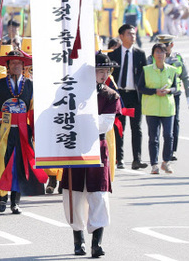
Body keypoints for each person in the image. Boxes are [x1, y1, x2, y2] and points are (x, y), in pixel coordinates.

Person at [62, 52, 120, 258]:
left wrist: (81, 120)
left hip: (97, 146)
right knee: (74, 194)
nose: (103, 75)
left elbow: (105, 124)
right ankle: (78, 240)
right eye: (99, 70)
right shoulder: (72, 92)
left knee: (99, 195)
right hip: (75, 146)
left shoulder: (111, 96)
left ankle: (97, 242)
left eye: (106, 71)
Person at [0, 50, 46, 214]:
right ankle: (2, 197)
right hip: (3, 130)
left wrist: (36, 132)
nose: (17, 66)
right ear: (8, 66)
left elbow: (33, 111)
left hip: (23, 132)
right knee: (2, 163)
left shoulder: (31, 86)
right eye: (13, 63)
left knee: (20, 166)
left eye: (19, 63)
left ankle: (15, 202)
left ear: (24, 66)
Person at [110, 24, 148, 170]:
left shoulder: (140, 54)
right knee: (119, 127)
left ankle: (136, 159)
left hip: (134, 96)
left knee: (136, 128)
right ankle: (119, 159)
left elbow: (144, 76)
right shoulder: (113, 55)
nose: (133, 36)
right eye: (129, 34)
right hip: (119, 96)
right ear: (121, 36)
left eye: (134, 34)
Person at [138, 43, 178, 174]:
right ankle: (154, 164)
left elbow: (175, 87)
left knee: (168, 135)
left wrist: (169, 90)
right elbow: (141, 87)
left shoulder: (172, 70)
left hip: (167, 107)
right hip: (152, 107)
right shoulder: (147, 69)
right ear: (153, 54)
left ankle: (166, 162)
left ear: (166, 54)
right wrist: (155, 91)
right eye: (157, 52)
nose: (160, 54)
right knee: (153, 137)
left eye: (162, 52)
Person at [154, 35, 189, 161]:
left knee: (174, 123)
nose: (164, 48)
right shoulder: (153, 57)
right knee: (156, 123)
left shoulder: (178, 58)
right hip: (156, 95)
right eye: (161, 45)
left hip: (173, 95)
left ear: (172, 45)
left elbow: (185, 77)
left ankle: (171, 151)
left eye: (166, 45)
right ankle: (156, 151)